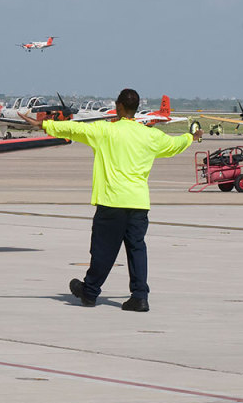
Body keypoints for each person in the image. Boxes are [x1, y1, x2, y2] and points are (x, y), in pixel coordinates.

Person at [22, 88, 202, 312]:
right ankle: (139, 297)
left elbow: (73, 128)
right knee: (137, 250)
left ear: (118, 106)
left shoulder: (106, 131)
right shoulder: (150, 135)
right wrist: (191, 137)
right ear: (136, 109)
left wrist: (44, 125)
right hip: (138, 205)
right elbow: (174, 145)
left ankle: (89, 291)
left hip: (112, 202)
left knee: (103, 250)